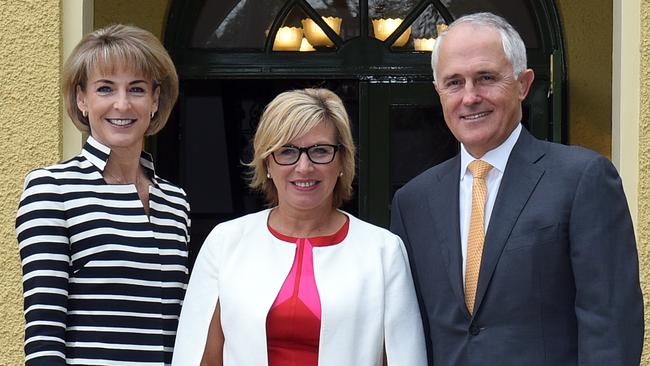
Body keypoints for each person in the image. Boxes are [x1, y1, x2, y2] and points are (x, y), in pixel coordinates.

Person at [390, 12, 644, 366]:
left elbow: (610, 325)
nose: (470, 97)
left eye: (486, 78)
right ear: (438, 92)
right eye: (454, 83)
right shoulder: (413, 201)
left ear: (523, 84)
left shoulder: (582, 178)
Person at [172, 88, 426, 365]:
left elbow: (403, 358)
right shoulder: (225, 242)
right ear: (267, 162)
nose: (304, 167)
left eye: (320, 150)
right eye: (287, 151)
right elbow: (203, 359)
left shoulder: (383, 251)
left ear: (341, 161)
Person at [15, 24, 190, 365]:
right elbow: (44, 336)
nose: (122, 105)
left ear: (155, 99)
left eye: (137, 89)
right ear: (82, 98)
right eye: (106, 89)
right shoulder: (52, 189)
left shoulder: (175, 201)